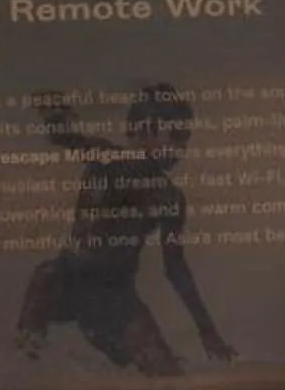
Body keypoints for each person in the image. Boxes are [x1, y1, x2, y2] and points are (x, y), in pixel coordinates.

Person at [17, 83, 237, 372]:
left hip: (117, 295)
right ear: (146, 130)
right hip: (68, 281)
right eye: (177, 136)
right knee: (46, 276)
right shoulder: (109, 160)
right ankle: (26, 351)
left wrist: (207, 331)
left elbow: (176, 268)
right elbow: (67, 137)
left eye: (186, 138)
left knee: (165, 371)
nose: (182, 148)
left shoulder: (169, 195)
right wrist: (55, 115)